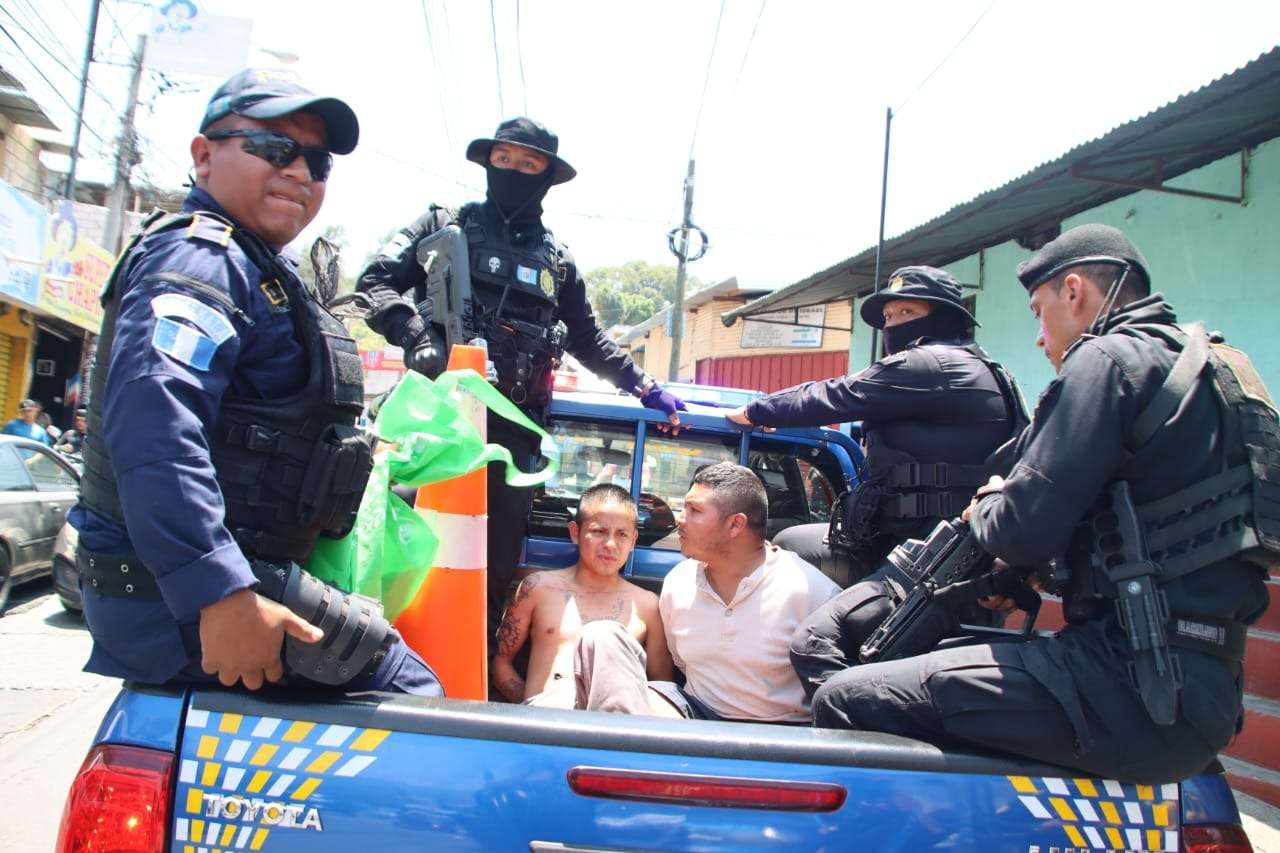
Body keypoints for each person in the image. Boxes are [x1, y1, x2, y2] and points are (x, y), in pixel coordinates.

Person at [808, 224, 1274, 782]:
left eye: (1037, 310)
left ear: (1073, 292)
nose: (1038, 336)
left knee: (843, 697)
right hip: (1204, 690)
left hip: (1123, 683)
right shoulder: (1221, 370)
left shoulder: (1105, 360)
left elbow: (1018, 530)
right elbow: (1162, 523)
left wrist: (989, 505)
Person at [69, 68, 441, 696]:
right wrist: (219, 593)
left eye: (317, 162)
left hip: (227, 569)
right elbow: (156, 431)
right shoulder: (200, 260)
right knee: (412, 698)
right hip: (177, 589)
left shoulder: (256, 266)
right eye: (274, 149)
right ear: (203, 156)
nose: (300, 171)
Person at [356, 117, 688, 671]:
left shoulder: (557, 261)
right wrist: (415, 336)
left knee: (487, 568)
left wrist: (645, 387)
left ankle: (471, 682)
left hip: (511, 444)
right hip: (434, 428)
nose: (513, 171)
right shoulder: (445, 225)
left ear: (547, 177)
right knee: (399, 552)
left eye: (527, 164)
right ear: (488, 163)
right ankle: (377, 665)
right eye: (504, 160)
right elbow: (374, 281)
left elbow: (587, 339)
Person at [727, 266, 1026, 587]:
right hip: (963, 552)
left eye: (906, 311)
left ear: (944, 317)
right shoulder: (989, 370)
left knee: (787, 549)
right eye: (888, 316)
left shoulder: (927, 364)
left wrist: (758, 411)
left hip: (925, 559)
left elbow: (837, 394)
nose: (892, 324)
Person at [650, 462, 841, 722]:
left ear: (735, 525)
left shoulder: (812, 592)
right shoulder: (678, 582)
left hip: (784, 738)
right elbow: (682, 664)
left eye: (694, 510)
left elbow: (836, 688)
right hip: (698, 724)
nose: (680, 519)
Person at [492, 484, 674, 713]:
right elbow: (501, 662)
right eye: (599, 531)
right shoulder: (539, 588)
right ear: (575, 532)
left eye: (622, 534)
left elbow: (661, 686)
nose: (610, 545)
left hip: (615, 727)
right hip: (546, 720)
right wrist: (530, 708)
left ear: (633, 540)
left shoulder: (647, 605)